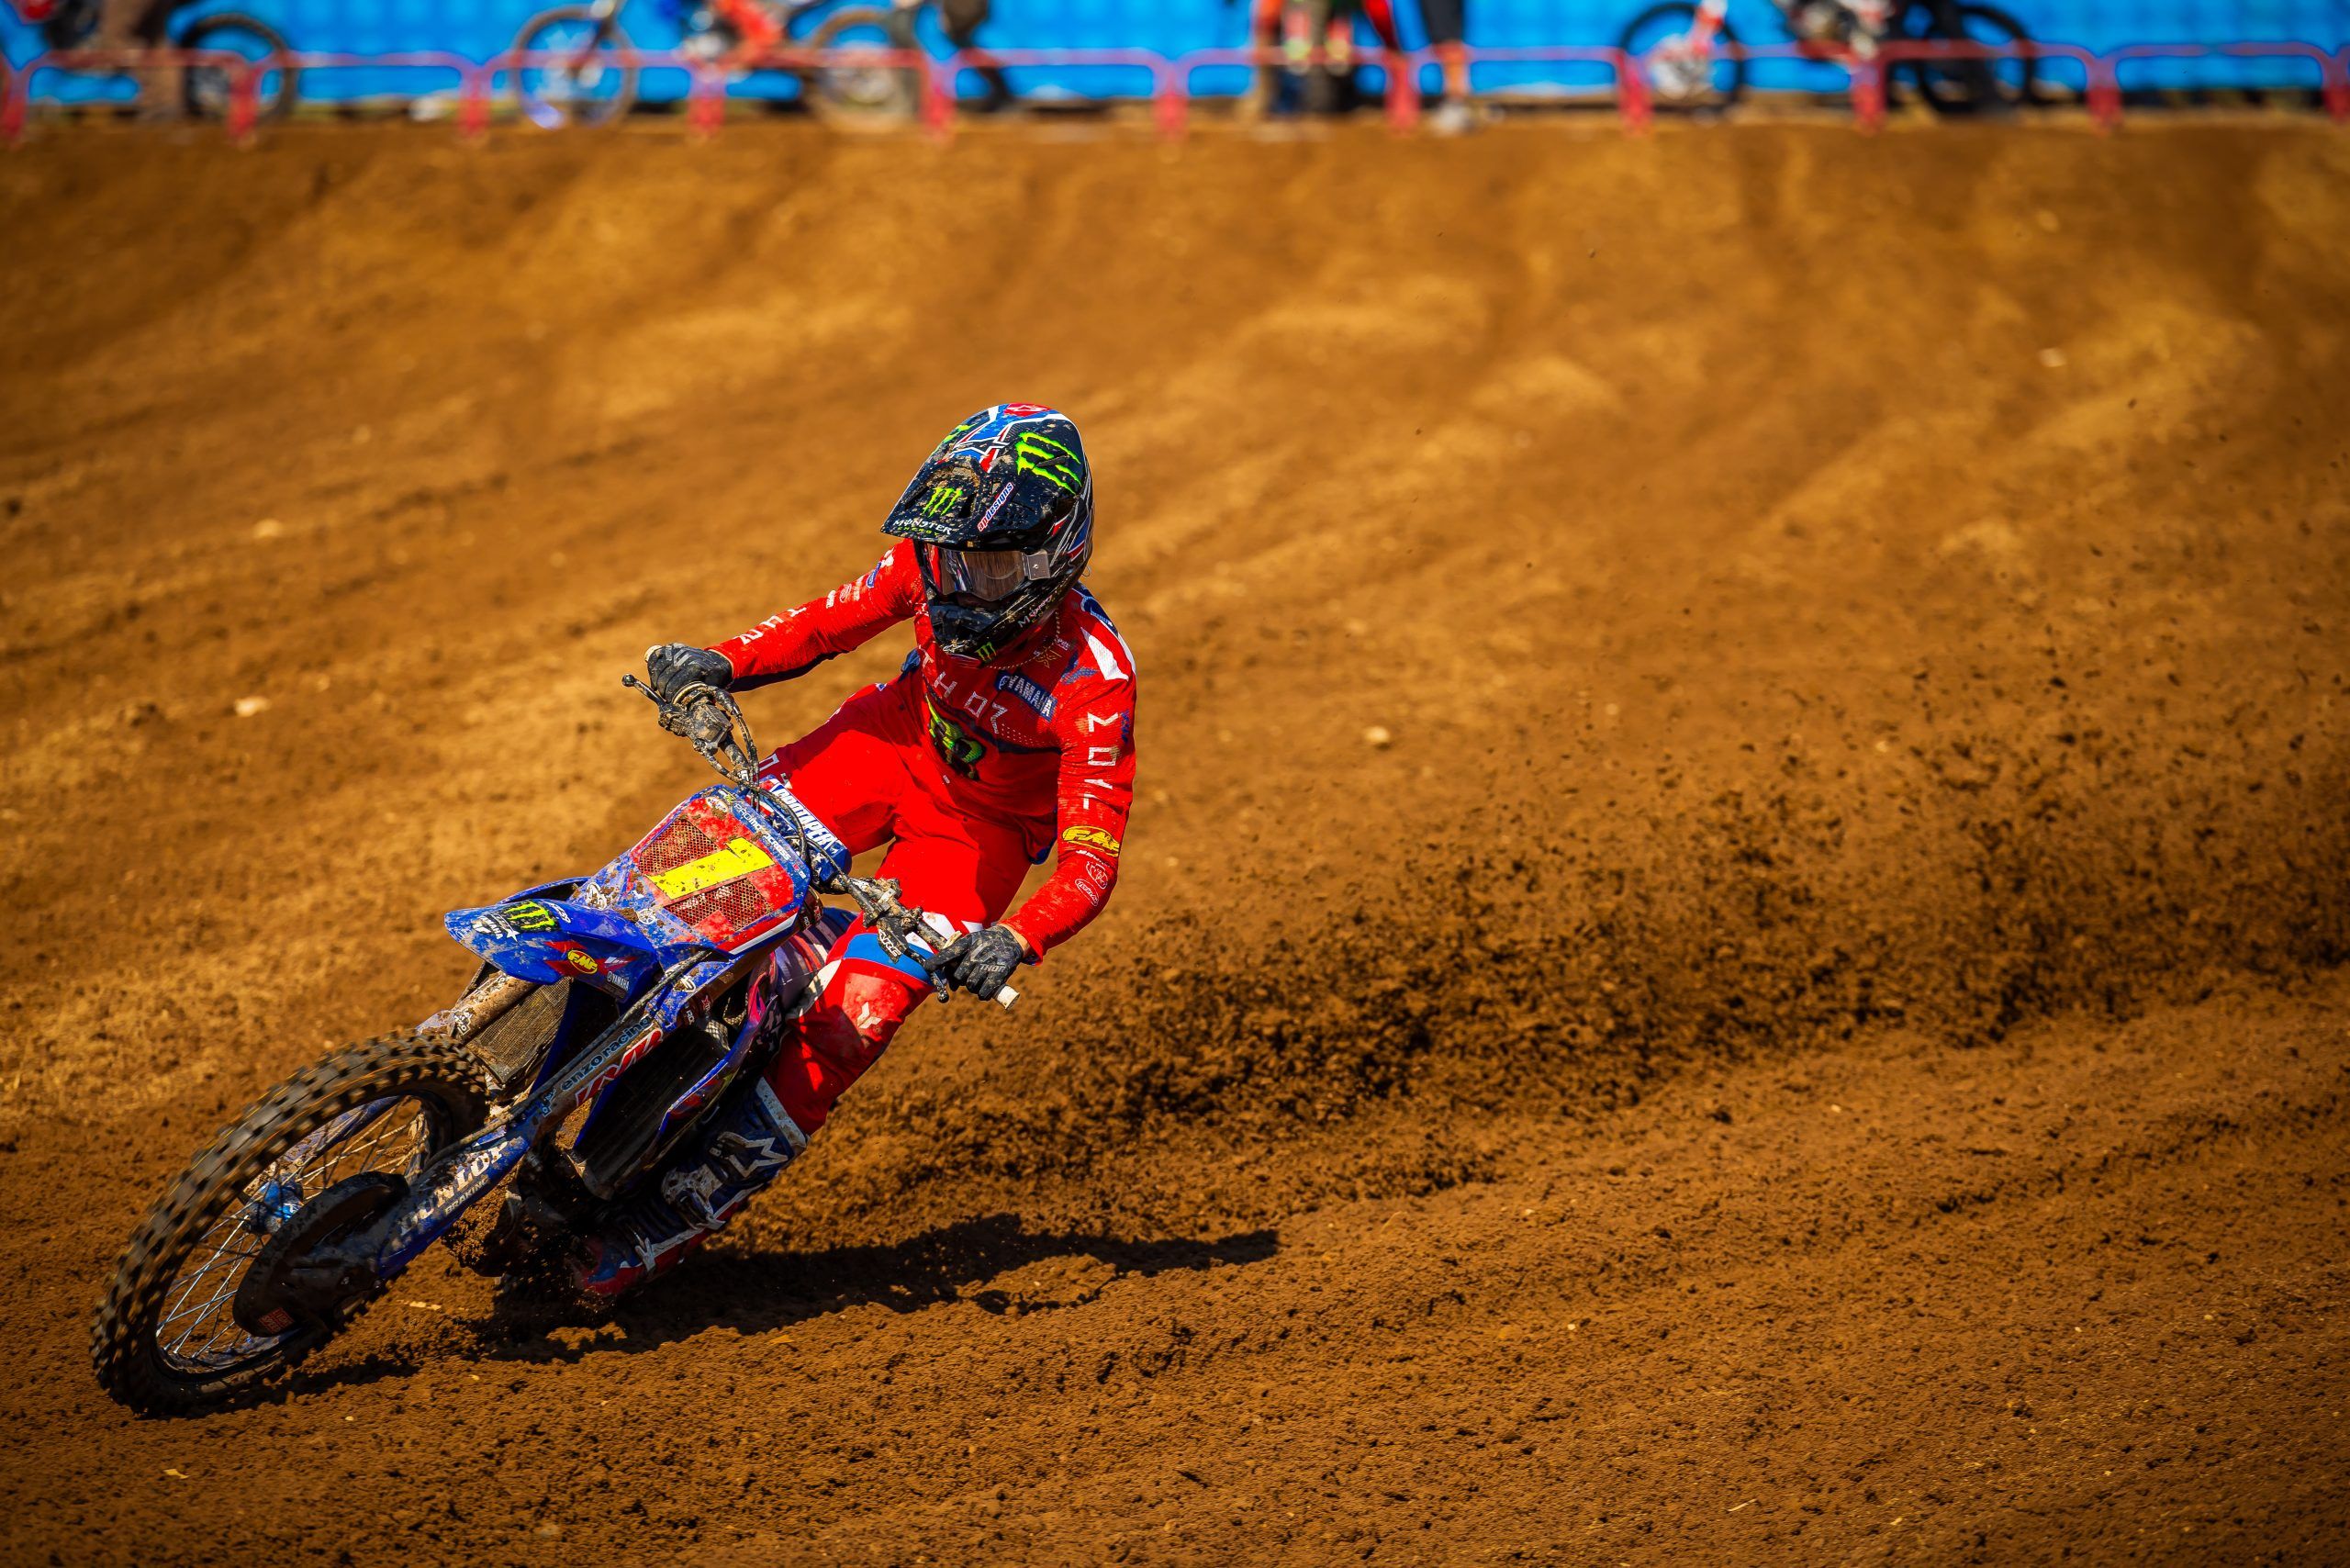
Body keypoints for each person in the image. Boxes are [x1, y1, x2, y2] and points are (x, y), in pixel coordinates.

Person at [571, 405, 1136, 1299]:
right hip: (888, 742)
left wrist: (1016, 938)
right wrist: (721, 661)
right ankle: (534, 1025)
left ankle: (657, 1225)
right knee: (699, 873)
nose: (959, 585)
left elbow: (1091, 861)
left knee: (850, 1021)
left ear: (1052, 554)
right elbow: (825, 624)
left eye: (989, 566)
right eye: (951, 558)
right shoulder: (930, 563)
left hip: (976, 836)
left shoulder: (1095, 681)